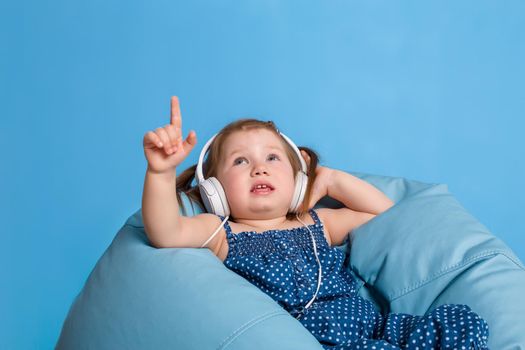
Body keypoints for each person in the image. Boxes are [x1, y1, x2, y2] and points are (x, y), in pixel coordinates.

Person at [141, 96, 490, 349]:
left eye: (272, 158)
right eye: (240, 161)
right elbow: (166, 232)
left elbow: (388, 218)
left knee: (462, 323)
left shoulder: (317, 223)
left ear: (298, 181)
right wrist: (160, 171)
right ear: (214, 190)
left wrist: (331, 180)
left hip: (375, 326)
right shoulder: (221, 233)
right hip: (319, 342)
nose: (259, 168)